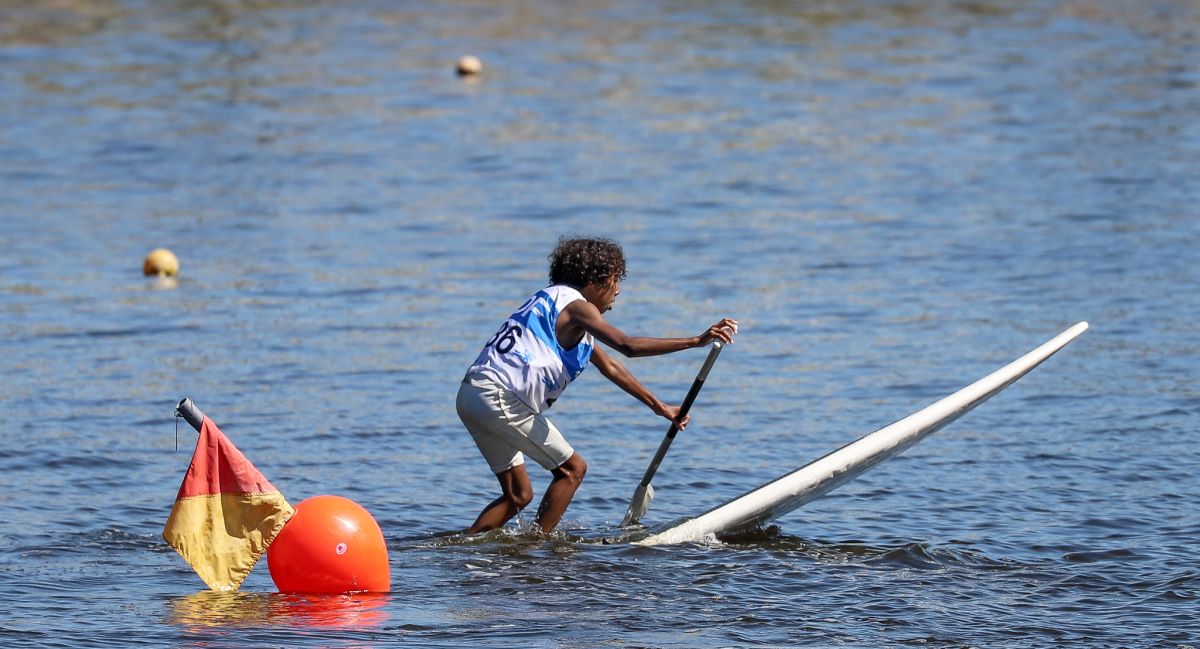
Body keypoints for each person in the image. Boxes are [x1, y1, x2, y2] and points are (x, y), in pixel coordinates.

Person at [456, 236, 738, 534]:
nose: (617, 291)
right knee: (572, 470)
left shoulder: (554, 305)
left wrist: (660, 407)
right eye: (615, 280)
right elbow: (627, 346)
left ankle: (461, 548)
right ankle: (537, 548)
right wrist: (696, 341)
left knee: (518, 494)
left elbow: (611, 366)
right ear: (594, 280)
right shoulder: (577, 306)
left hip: (472, 394)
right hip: (499, 396)